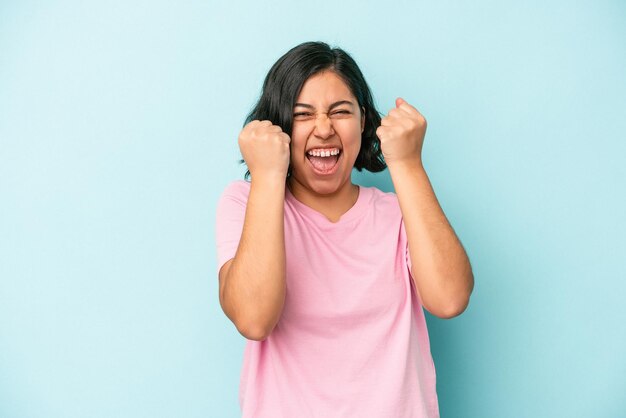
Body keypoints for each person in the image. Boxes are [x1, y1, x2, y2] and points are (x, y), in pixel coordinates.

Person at [215, 41, 474, 418]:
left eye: (340, 112)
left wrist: (407, 164)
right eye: (302, 115)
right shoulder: (244, 203)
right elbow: (254, 318)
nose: (323, 129)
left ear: (364, 122)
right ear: (279, 128)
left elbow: (450, 299)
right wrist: (269, 174)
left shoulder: (401, 214)